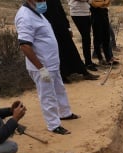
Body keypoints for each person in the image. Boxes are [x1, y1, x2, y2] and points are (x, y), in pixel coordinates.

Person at [15, 0, 76, 135]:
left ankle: (65, 113)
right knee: (47, 95)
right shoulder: (25, 16)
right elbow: (25, 45)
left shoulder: (37, 12)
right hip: (41, 66)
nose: (43, 2)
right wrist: (41, 68)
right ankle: (53, 124)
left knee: (59, 89)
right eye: (39, 0)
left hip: (52, 63)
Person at [43, 0, 99, 82]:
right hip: (50, 29)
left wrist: (68, 27)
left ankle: (83, 72)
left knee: (70, 49)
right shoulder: (39, 2)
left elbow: (61, 11)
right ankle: (63, 75)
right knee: (59, 52)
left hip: (61, 27)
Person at [68, 0, 98, 71]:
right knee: (86, 38)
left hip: (85, 13)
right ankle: (88, 63)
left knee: (87, 38)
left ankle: (89, 61)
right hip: (78, 13)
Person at [90, 0, 118, 66]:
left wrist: (101, 4)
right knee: (97, 38)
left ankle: (108, 58)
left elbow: (107, 3)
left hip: (104, 14)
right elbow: (94, 4)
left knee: (106, 37)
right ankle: (100, 58)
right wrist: (103, 3)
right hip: (96, 16)